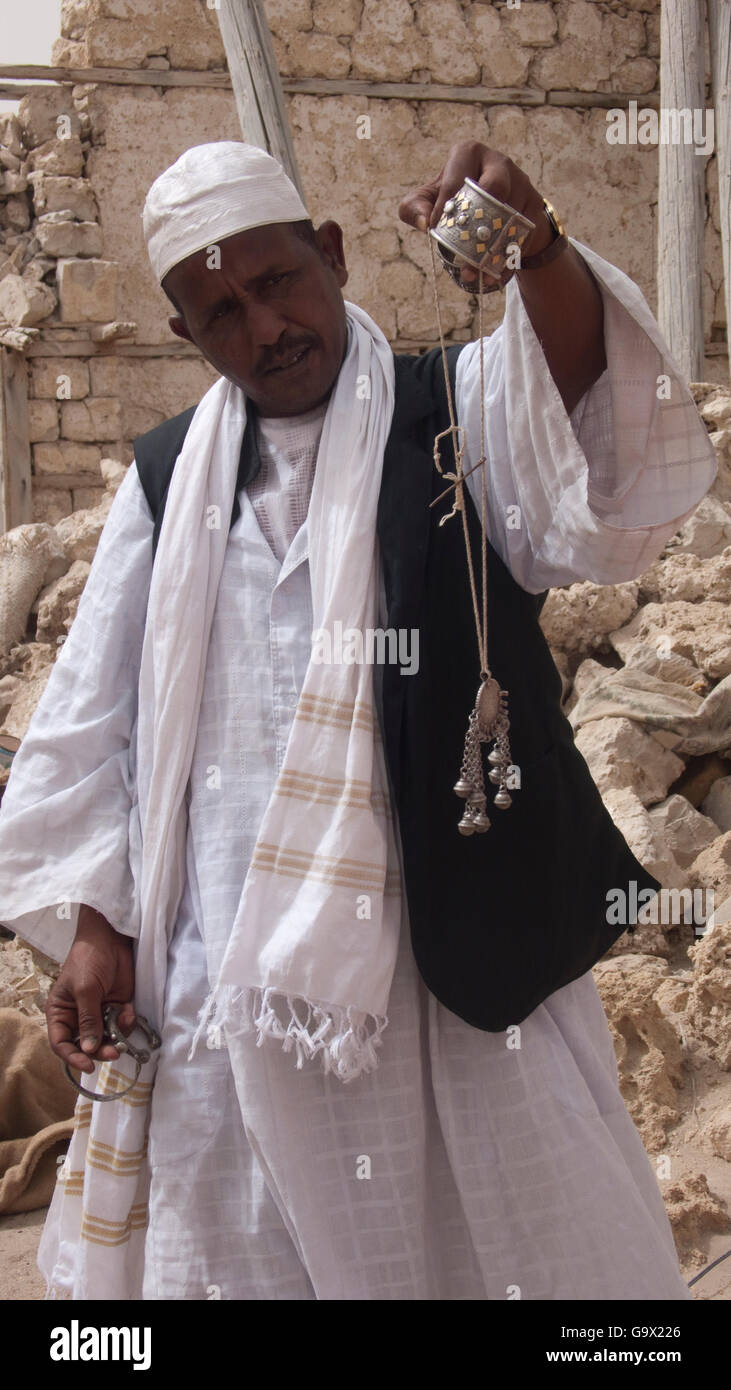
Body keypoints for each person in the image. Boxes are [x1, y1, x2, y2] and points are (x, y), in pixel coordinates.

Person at [0, 139, 717, 1301]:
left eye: (277, 281)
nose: (263, 325)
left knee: (514, 1242)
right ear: (185, 336)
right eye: (220, 309)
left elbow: (601, 439)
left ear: (329, 256)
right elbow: (92, 723)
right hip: (225, 972)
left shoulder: (453, 413)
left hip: (446, 960)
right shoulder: (166, 481)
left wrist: (532, 247)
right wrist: (98, 918)